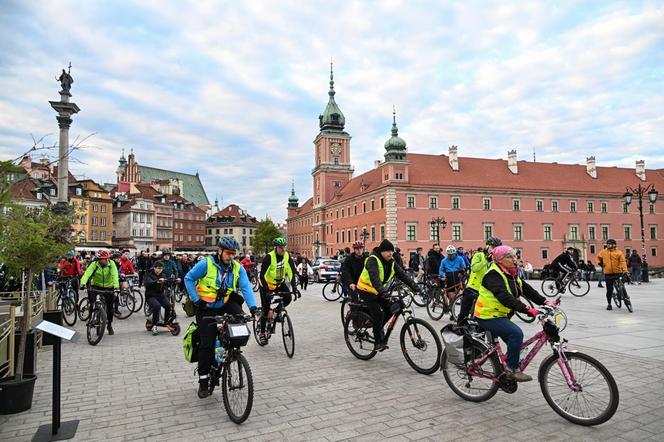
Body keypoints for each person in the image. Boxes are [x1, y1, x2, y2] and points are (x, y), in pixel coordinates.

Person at [184, 237, 258, 398]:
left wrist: (253, 308)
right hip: (206, 307)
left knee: (239, 322)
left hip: (225, 303)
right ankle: (203, 381)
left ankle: (231, 352)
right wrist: (197, 300)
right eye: (228, 253)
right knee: (207, 344)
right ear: (220, 251)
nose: (231, 257)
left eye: (233, 254)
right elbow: (188, 279)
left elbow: (246, 287)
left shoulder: (237, 268)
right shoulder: (206, 264)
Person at [474, 245, 550, 382]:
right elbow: (504, 297)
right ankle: (511, 370)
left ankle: (504, 366)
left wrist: (544, 301)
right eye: (509, 257)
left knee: (515, 345)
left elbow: (526, 289)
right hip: (487, 315)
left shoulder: (511, 273)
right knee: (516, 334)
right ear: (500, 260)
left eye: (514, 256)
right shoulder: (493, 274)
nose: (514, 259)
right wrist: (526, 309)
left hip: (499, 314)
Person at [356, 239, 420, 351]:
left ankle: (378, 327)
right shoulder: (373, 260)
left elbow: (402, 275)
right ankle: (377, 341)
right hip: (366, 290)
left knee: (391, 309)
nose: (391, 253)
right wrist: (383, 292)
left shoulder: (391, 262)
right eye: (388, 251)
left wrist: (415, 286)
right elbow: (374, 278)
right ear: (381, 251)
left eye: (392, 251)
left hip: (379, 291)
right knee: (377, 313)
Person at [257, 237, 300, 345]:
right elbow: (262, 275)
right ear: (276, 247)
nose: (283, 249)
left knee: (288, 298)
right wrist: (267, 291)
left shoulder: (286, 256)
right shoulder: (269, 257)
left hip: (279, 283)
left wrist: (294, 288)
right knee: (266, 308)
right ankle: (262, 333)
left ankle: (275, 312)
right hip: (266, 284)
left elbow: (291, 273)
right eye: (281, 247)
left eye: (284, 247)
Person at [457, 237, 502, 324]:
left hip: (486, 289)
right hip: (473, 287)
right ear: (487, 247)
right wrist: (485, 260)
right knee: (464, 313)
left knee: (482, 314)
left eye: (497, 248)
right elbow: (474, 268)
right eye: (493, 247)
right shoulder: (479, 255)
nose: (494, 250)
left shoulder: (496, 259)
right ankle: (460, 326)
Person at [80, 250, 120, 335]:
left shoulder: (111, 264)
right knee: (92, 303)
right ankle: (91, 318)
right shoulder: (94, 264)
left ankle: (109, 325)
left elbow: (115, 275)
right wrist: (83, 284)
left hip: (109, 286)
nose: (106, 260)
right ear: (98, 259)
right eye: (103, 259)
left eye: (107, 259)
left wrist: (116, 287)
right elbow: (87, 274)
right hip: (96, 285)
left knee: (110, 308)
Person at [596, 239, 628, 310]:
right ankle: (609, 303)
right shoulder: (603, 252)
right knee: (609, 290)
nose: (608, 245)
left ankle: (624, 295)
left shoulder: (619, 252)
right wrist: (600, 263)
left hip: (618, 272)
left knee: (621, 285)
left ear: (614, 245)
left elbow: (623, 262)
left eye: (610, 244)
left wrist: (625, 271)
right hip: (608, 273)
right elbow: (598, 257)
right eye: (608, 244)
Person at [144, 261, 173, 335]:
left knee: (168, 305)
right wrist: (157, 281)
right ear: (154, 268)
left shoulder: (163, 275)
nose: (160, 270)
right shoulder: (149, 275)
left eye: (161, 268)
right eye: (158, 268)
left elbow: (167, 283)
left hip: (160, 295)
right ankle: (154, 325)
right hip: (150, 296)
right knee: (157, 306)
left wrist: (173, 281)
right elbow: (148, 283)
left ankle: (166, 322)